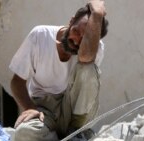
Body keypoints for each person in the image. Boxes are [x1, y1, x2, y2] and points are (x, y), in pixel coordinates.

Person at [9, 0, 108, 140]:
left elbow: (85, 57)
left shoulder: (94, 50)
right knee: (24, 133)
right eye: (75, 31)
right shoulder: (40, 36)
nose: (76, 41)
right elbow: (17, 81)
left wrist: (97, 14)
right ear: (71, 21)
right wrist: (29, 108)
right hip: (44, 110)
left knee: (88, 68)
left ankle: (76, 132)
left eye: (84, 38)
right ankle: (59, 137)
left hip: (74, 115)